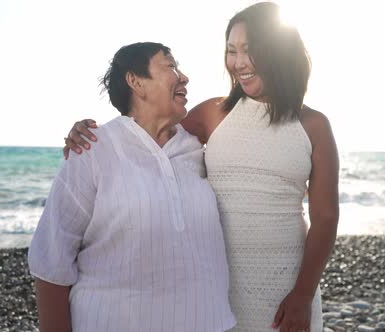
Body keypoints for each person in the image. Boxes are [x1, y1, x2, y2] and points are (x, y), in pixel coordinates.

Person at [63, 3, 339, 331]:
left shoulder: (313, 125)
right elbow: (147, 138)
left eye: (249, 51)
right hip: (215, 293)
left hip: (289, 292)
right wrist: (91, 135)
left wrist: (303, 295)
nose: (238, 63)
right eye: (231, 51)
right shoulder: (213, 113)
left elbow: (325, 217)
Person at [28, 42, 236, 332]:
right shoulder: (91, 149)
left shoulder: (195, 146)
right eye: (170, 66)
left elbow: (258, 107)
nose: (184, 77)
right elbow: (51, 262)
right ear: (135, 81)